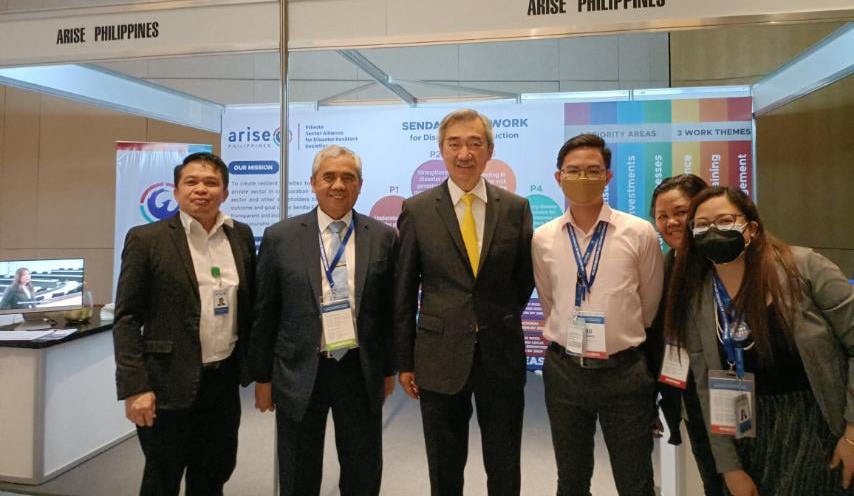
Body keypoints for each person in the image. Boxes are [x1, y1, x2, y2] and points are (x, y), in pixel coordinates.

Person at [665, 185, 854, 496]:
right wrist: (730, 467)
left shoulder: (806, 267)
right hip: (745, 434)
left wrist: (851, 435)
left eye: (725, 221)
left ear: (751, 228)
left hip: (818, 426)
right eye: (702, 225)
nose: (713, 232)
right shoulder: (698, 295)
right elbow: (705, 386)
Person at [394, 108, 534, 496]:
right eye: (454, 144)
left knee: (505, 465)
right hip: (439, 357)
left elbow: (523, 279)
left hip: (500, 354)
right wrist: (404, 360)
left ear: (490, 150)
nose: (465, 154)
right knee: (445, 467)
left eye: (475, 143)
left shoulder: (515, 208)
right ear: (441, 150)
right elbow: (404, 291)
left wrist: (495, 318)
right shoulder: (418, 210)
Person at [250, 145, 397, 496]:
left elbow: (390, 311)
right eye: (329, 177)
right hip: (299, 370)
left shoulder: (383, 237)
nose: (338, 185)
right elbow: (265, 312)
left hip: (358, 369)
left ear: (360, 185)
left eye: (348, 177)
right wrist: (262, 377)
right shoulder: (281, 236)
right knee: (298, 473)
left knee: (362, 472)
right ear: (313, 183)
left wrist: (389, 368)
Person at [113, 152, 257, 496]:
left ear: (225, 192)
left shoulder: (240, 236)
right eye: (191, 182)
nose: (201, 189)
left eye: (211, 183)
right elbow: (127, 318)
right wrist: (135, 387)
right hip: (166, 383)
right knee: (162, 478)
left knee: (214, 474)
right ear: (176, 191)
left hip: (222, 383)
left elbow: (249, 306)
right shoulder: (147, 239)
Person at [532, 133, 663, 496]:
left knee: (635, 481)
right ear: (558, 177)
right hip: (565, 371)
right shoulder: (543, 238)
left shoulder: (639, 232)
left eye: (593, 170)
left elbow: (649, 306)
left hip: (624, 372)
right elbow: (549, 301)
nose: (583, 178)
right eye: (573, 170)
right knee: (571, 480)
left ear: (608, 176)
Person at [646, 174, 723, 496]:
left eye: (681, 212)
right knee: (714, 482)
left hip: (741, 396)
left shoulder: (726, 264)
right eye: (662, 216)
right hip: (692, 400)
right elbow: (655, 341)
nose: (671, 222)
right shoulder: (663, 269)